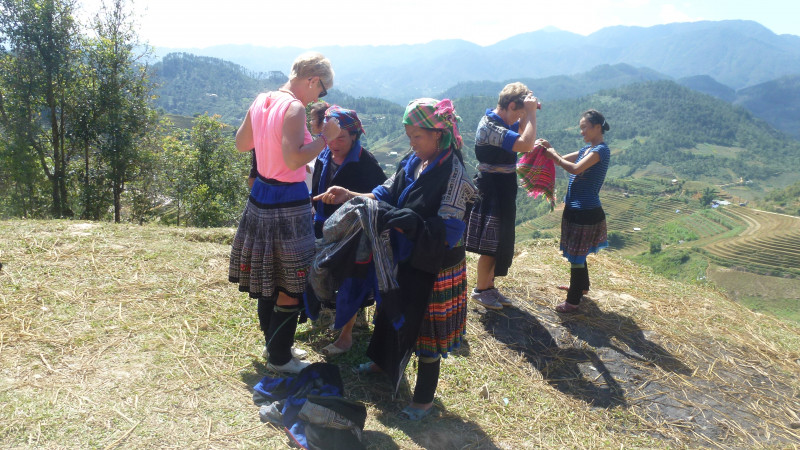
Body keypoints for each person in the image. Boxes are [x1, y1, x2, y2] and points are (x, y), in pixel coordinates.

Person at [314, 98, 476, 421]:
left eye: (418, 137)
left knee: (426, 327)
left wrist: (404, 219)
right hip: (404, 254)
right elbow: (384, 193)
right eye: (409, 137)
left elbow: (448, 232)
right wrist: (351, 195)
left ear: (439, 134)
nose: (412, 144)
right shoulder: (413, 163)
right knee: (390, 309)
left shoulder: (455, 176)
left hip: (436, 265)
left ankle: (423, 401)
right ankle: (381, 362)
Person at [228, 52, 341, 374]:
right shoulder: (293, 108)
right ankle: (280, 358)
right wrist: (324, 138)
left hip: (261, 196)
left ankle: (275, 347)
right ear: (312, 80)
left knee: (270, 276)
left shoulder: (263, 100)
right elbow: (294, 161)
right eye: (322, 90)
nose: (319, 97)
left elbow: (241, 143)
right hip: (288, 203)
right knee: (291, 282)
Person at [310, 105, 387, 355]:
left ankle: (345, 336)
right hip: (323, 224)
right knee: (321, 272)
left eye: (341, 137)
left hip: (354, 232)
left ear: (354, 136)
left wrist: (347, 199)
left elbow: (380, 199)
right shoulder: (323, 158)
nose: (335, 143)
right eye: (331, 137)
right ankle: (330, 316)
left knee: (349, 278)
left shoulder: (365, 163)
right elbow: (315, 193)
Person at [465, 82, 541, 310]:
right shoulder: (490, 127)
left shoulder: (499, 123)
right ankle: (480, 289)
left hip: (502, 187)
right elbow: (525, 144)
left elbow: (522, 135)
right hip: (492, 189)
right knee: (491, 242)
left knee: (501, 240)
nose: (519, 118)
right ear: (509, 106)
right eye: (518, 112)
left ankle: (489, 286)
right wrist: (531, 116)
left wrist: (527, 114)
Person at [540, 109, 611, 313]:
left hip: (585, 212)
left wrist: (553, 154)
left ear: (597, 127)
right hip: (576, 210)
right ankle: (582, 287)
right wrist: (549, 149)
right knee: (578, 253)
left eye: (584, 128)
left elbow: (574, 169)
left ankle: (573, 301)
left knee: (577, 257)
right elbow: (560, 158)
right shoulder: (587, 149)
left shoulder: (600, 151)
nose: (582, 132)